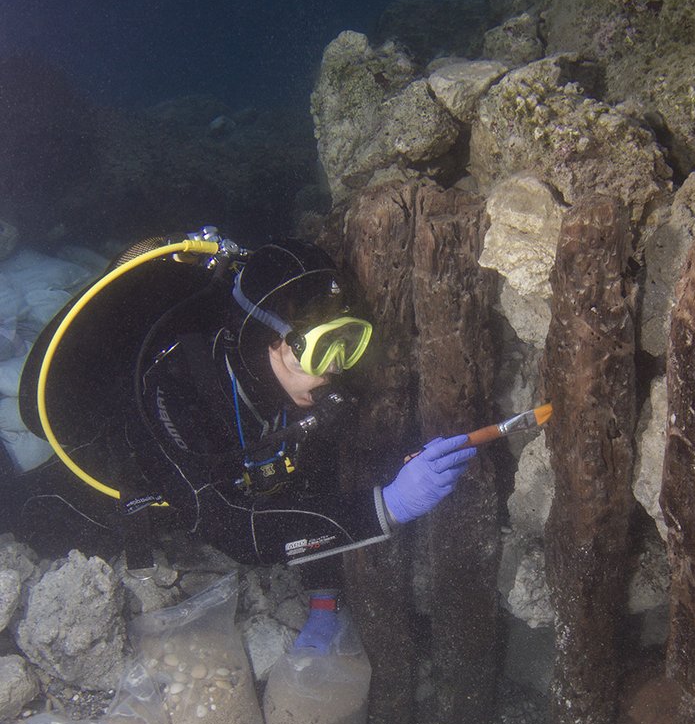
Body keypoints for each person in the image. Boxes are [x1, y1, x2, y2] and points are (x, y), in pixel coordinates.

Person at [15, 235, 476, 566]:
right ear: (264, 339)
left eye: (347, 342)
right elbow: (234, 530)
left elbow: (314, 486)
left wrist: (322, 600)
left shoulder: (295, 391)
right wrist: (389, 506)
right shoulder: (173, 387)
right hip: (100, 499)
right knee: (17, 511)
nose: (334, 367)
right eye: (319, 347)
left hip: (216, 495)